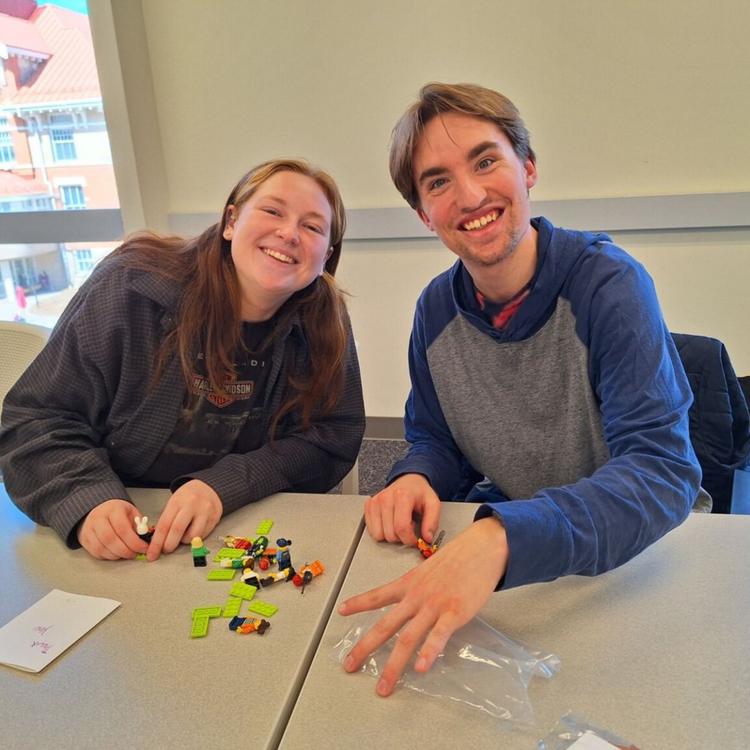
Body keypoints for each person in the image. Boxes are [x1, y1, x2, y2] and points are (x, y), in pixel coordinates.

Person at [339, 83, 704, 696]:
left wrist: (504, 537)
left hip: (626, 567)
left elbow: (663, 473)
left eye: (486, 161)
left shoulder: (609, 285)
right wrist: (415, 476)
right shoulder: (434, 310)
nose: (471, 195)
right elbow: (437, 437)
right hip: (523, 572)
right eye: (438, 182)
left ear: (527, 166)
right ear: (424, 214)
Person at [0, 159, 365, 562]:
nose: (288, 233)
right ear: (231, 221)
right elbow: (35, 421)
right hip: (120, 520)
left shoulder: (324, 321)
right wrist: (87, 499)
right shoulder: (128, 287)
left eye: (312, 227)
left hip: (236, 525)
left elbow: (332, 437)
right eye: (272, 211)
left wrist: (223, 485)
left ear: (326, 256)